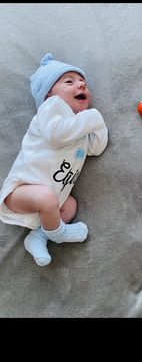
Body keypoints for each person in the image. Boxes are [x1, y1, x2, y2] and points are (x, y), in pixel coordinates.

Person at [0, 53, 108, 266]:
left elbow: (95, 148)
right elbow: (55, 135)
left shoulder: (78, 125)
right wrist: (90, 119)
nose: (81, 86)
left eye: (83, 83)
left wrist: (98, 124)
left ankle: (39, 236)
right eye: (69, 81)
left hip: (49, 202)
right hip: (20, 192)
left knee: (70, 205)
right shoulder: (52, 108)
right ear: (49, 94)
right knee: (48, 197)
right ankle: (58, 234)